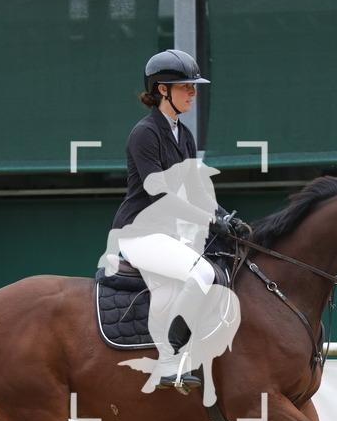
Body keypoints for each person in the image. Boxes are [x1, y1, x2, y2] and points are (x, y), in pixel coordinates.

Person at [100, 49, 237, 395]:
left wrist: (223, 216)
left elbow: (196, 188)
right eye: (186, 86)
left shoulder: (184, 135)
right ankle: (169, 361)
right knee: (202, 273)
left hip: (167, 236)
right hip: (139, 234)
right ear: (163, 90)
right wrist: (207, 219)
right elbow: (158, 193)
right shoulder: (145, 133)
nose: (193, 92)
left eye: (194, 87)